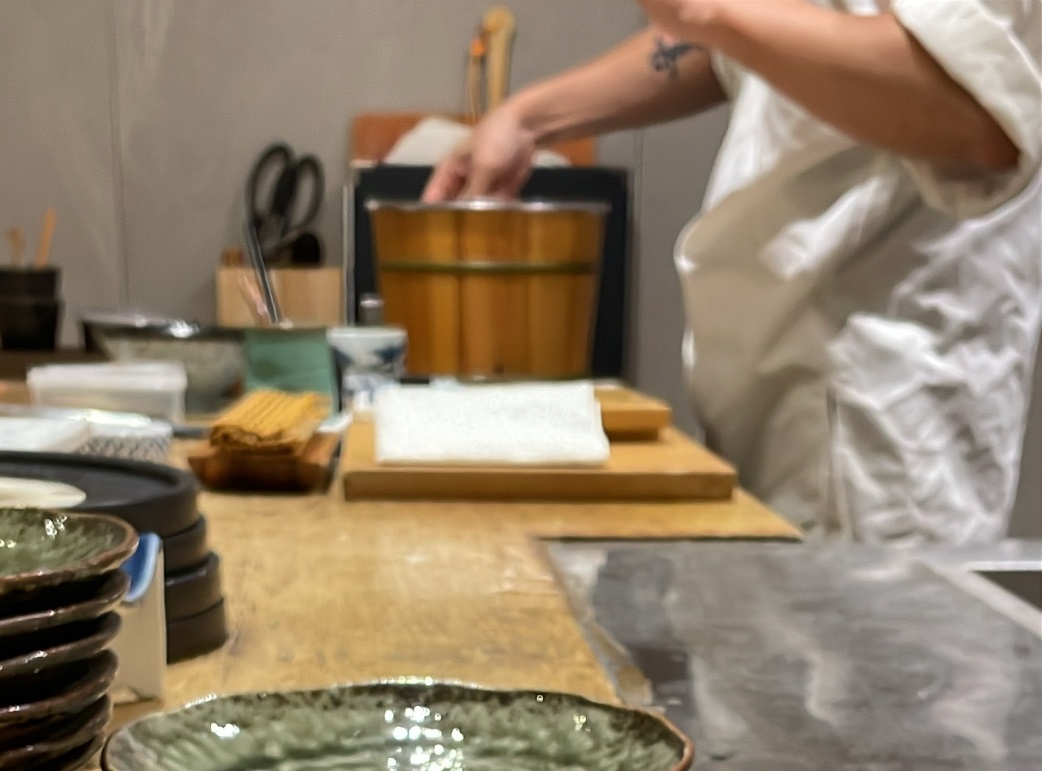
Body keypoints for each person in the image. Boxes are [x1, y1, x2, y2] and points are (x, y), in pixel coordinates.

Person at [426, 0, 1041, 541]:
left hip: (872, 404)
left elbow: (974, 109)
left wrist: (706, 9)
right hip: (772, 380)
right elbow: (749, 38)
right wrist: (529, 117)